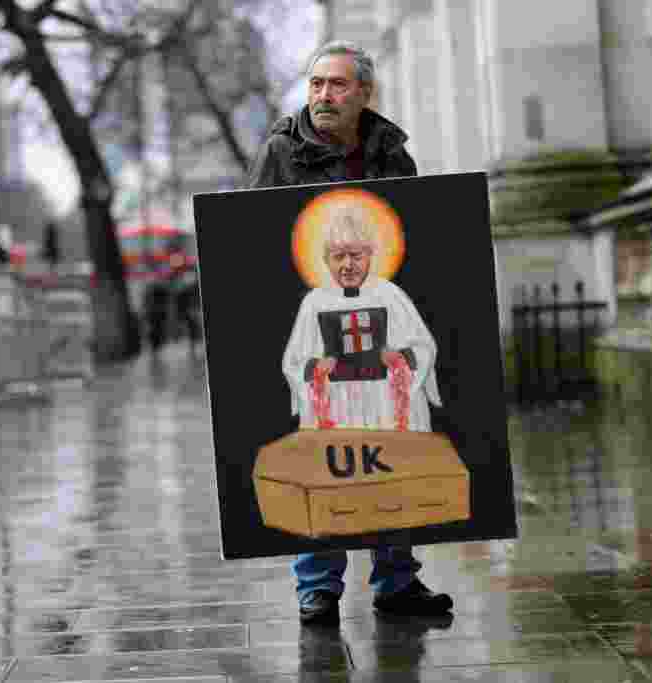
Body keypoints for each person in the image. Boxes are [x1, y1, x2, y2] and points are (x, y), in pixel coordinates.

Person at [247, 40, 453, 624]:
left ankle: (396, 581)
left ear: (364, 94)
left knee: (392, 464)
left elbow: (419, 269)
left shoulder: (390, 152)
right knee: (323, 467)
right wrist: (314, 368)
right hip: (330, 388)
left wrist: (401, 361)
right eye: (315, 85)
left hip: (381, 386)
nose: (323, 96)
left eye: (337, 85)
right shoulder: (281, 155)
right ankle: (317, 586)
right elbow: (256, 247)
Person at [283, 210, 442, 433]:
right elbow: (293, 362)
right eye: (339, 256)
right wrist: (316, 368)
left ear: (370, 255)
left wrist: (400, 359)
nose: (348, 264)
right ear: (326, 260)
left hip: (384, 404)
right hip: (338, 407)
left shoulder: (390, 296)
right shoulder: (314, 303)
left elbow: (425, 348)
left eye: (356, 255)